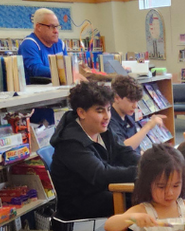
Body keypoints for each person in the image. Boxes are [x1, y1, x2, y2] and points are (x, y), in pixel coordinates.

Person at [49, 80, 138, 222]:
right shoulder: (70, 143)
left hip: (101, 191)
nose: (107, 116)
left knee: (144, 195)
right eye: (100, 111)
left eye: (108, 109)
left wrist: (148, 163)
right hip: (79, 204)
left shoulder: (102, 130)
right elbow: (100, 174)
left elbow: (124, 152)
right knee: (138, 202)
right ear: (81, 113)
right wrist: (141, 172)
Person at [104, 144, 185, 231]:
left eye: (176, 185)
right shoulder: (143, 210)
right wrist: (132, 218)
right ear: (147, 184)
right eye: (161, 187)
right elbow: (109, 226)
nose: (170, 193)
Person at [108, 73, 167, 155]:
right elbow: (123, 149)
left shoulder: (128, 115)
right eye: (131, 101)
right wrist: (148, 126)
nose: (135, 106)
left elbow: (136, 148)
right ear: (117, 98)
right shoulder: (109, 120)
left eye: (137, 101)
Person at [19, 7, 68, 84]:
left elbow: (67, 66)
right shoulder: (29, 44)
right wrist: (64, 72)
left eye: (57, 27)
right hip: (36, 89)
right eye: (51, 27)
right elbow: (37, 70)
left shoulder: (60, 44)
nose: (56, 31)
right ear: (39, 27)